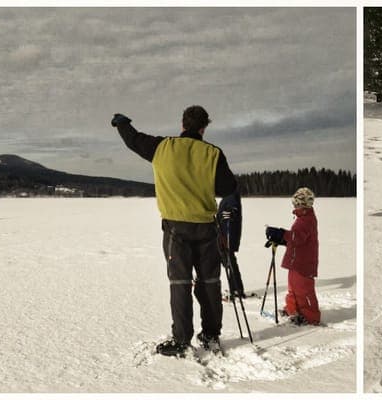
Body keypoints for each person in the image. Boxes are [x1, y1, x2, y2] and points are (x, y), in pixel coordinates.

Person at [110, 105, 238, 357]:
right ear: (204, 127)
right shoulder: (213, 153)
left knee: (180, 283)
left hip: (175, 229)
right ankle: (211, 335)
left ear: (183, 125)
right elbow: (228, 187)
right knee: (209, 282)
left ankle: (181, 339)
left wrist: (121, 124)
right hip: (206, 228)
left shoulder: (162, 147)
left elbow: (133, 140)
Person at [265, 187, 321, 326]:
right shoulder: (302, 218)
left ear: (302, 204)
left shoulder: (307, 220)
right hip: (296, 261)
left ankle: (310, 316)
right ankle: (293, 310)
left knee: (303, 290)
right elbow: (296, 240)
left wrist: (281, 233)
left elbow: (297, 237)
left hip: (303, 263)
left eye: (296, 203)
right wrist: (281, 239)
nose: (294, 205)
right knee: (293, 289)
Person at [218, 190, 246, 299]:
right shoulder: (227, 195)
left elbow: (234, 208)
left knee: (229, 261)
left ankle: (236, 289)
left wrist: (232, 212)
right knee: (228, 261)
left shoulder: (231, 194)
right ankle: (235, 288)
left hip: (227, 236)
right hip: (224, 235)